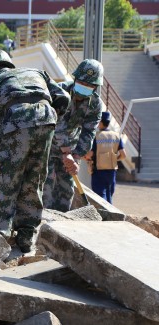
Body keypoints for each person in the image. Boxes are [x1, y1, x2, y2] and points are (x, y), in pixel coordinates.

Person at [0, 48, 70, 253]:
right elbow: (63, 98)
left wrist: (0, 156)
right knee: (34, 179)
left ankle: (0, 232)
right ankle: (26, 234)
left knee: (8, 182)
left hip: (15, 122)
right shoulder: (36, 73)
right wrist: (48, 120)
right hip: (46, 119)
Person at [43, 59, 104, 212]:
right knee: (46, 189)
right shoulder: (59, 92)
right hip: (48, 147)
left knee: (66, 190)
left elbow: (89, 132)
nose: (85, 86)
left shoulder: (95, 104)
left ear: (95, 86)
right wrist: (66, 152)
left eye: (89, 85)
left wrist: (76, 156)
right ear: (75, 78)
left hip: (71, 151)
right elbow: (57, 123)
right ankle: (43, 219)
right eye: (82, 82)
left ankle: (62, 219)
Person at [84, 111, 126, 204]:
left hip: (98, 171)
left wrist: (84, 157)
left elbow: (89, 154)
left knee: (99, 197)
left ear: (100, 122)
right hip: (112, 171)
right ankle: (110, 212)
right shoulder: (116, 136)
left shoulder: (96, 136)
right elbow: (123, 155)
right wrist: (114, 159)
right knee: (109, 195)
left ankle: (102, 213)